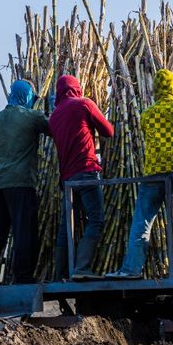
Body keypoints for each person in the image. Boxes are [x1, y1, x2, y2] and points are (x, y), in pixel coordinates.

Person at [107, 69, 173, 279]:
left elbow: (148, 134)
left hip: (154, 170)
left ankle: (131, 269)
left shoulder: (147, 113)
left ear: (156, 90)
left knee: (143, 221)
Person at [0, 80, 49, 284]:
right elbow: (54, 129)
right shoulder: (33, 117)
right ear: (29, 97)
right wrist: (55, 108)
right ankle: (23, 277)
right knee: (24, 231)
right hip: (21, 183)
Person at [49, 75, 115, 280]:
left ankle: (60, 272)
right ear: (76, 89)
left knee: (66, 226)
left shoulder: (54, 116)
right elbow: (109, 131)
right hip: (86, 172)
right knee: (95, 220)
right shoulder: (84, 104)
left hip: (67, 179)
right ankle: (82, 268)